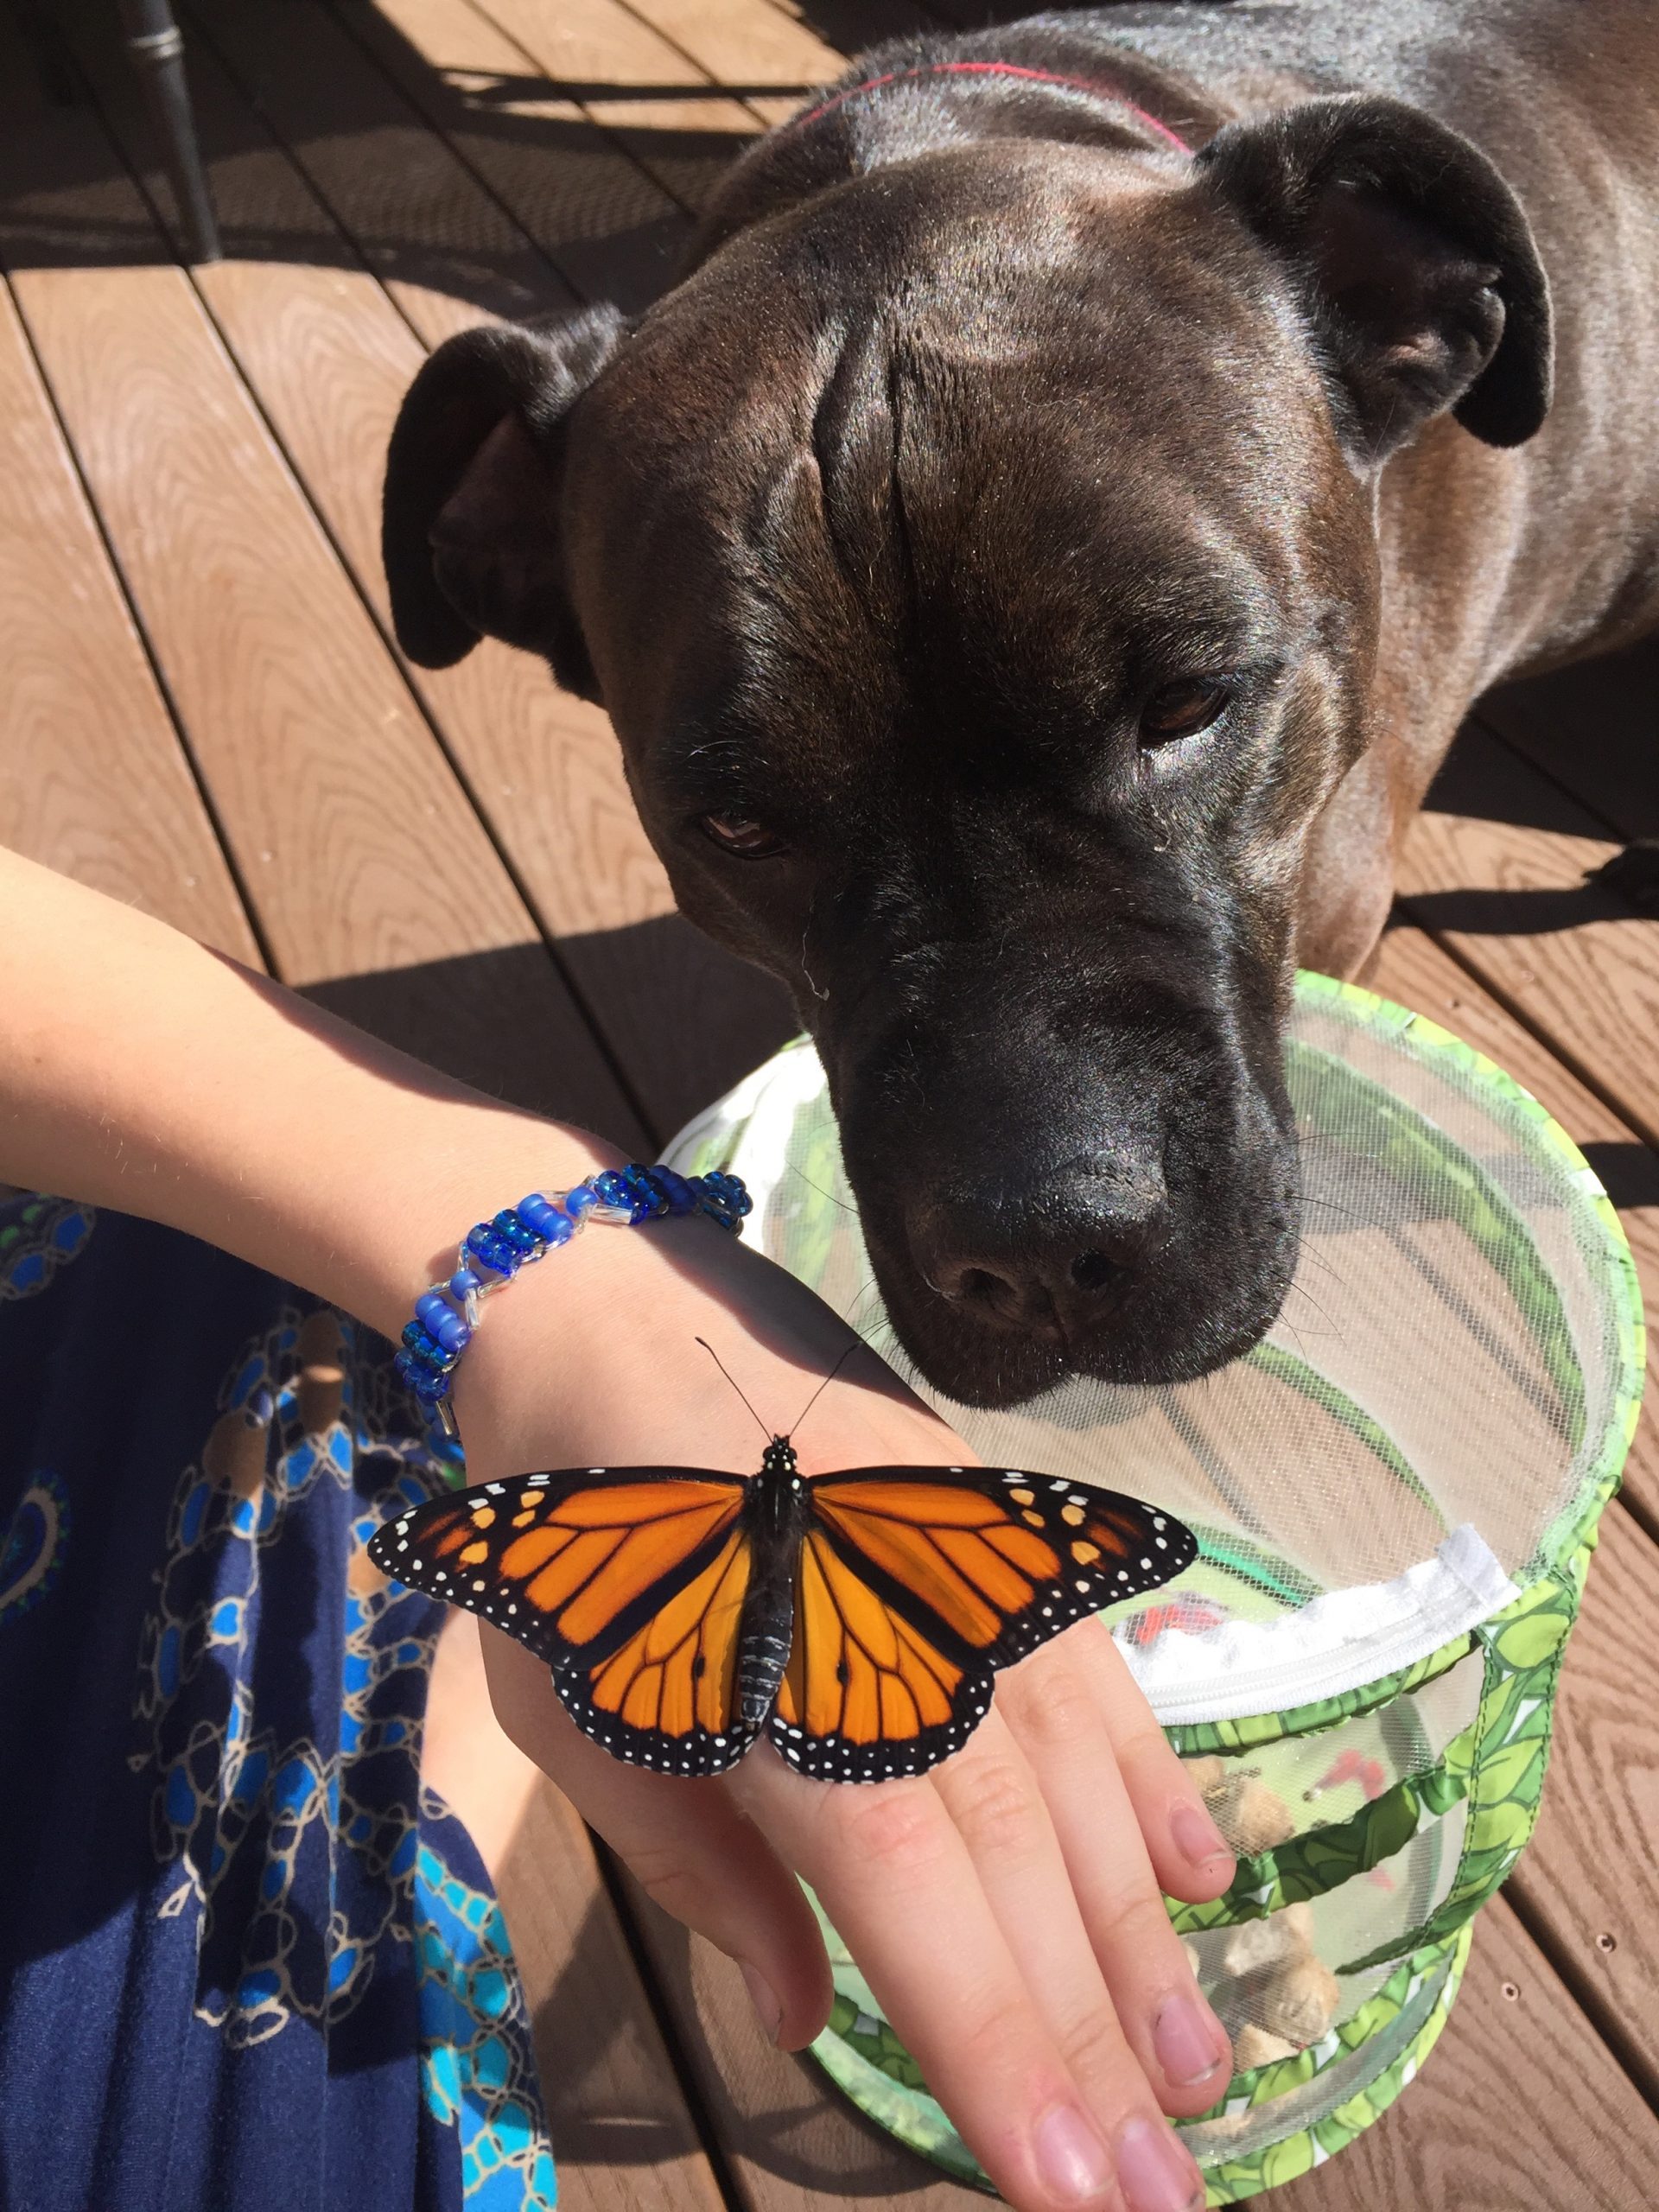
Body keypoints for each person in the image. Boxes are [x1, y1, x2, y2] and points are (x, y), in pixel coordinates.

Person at [0, 847, 1235, 2212]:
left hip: (651, 1600)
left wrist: (564, 1293)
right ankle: (439, 1734)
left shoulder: (640, 1522)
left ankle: (464, 1710)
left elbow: (538, 1541)